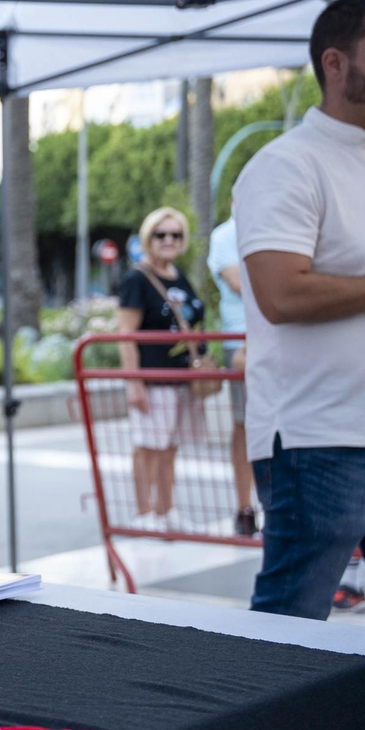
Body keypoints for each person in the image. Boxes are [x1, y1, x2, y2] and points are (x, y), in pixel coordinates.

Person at [234, 0, 365, 730]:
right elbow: (281, 292)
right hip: (319, 442)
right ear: (336, 64)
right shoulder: (284, 166)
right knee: (287, 643)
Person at [117, 207, 207, 531]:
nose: (169, 240)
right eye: (161, 234)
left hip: (181, 378)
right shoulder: (137, 279)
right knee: (148, 449)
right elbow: (125, 334)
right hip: (153, 379)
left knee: (169, 448)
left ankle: (166, 510)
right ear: (148, 238)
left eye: (176, 234)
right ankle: (144, 515)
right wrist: (133, 382)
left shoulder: (180, 276)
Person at [204, 205, 258, 537]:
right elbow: (238, 283)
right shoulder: (225, 235)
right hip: (241, 337)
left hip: (281, 335)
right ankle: (245, 507)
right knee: (244, 424)